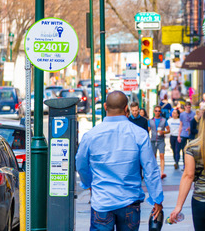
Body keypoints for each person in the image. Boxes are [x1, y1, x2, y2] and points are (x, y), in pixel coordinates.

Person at [76, 91, 163, 231]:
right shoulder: (139, 134)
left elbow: (80, 164)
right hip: (129, 201)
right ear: (126, 108)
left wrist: (88, 183)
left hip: (102, 201)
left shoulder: (91, 135)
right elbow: (150, 169)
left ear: (105, 106)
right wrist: (157, 199)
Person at [149, 105, 170, 179]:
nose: (157, 112)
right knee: (154, 157)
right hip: (153, 140)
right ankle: (154, 171)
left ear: (160, 112)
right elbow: (148, 130)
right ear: (154, 112)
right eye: (156, 111)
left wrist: (163, 132)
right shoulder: (151, 120)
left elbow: (168, 130)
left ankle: (162, 172)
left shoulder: (164, 120)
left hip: (161, 140)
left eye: (159, 111)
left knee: (162, 156)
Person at [178, 101, 195, 167]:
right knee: (184, 149)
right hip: (184, 133)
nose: (189, 109)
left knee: (191, 149)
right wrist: (179, 135)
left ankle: (190, 164)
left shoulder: (193, 114)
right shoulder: (182, 114)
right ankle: (184, 164)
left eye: (189, 107)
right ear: (185, 107)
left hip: (191, 134)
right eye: (187, 107)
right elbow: (180, 125)